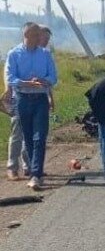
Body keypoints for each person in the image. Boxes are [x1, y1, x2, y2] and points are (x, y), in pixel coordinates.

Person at [4, 22, 58, 190]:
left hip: (40, 98)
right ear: (27, 35)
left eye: (41, 36)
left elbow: (53, 76)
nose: (40, 39)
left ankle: (36, 174)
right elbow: (10, 76)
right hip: (22, 99)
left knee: (39, 137)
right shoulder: (14, 54)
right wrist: (24, 82)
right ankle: (16, 167)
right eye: (37, 35)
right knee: (26, 137)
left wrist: (45, 81)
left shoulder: (46, 55)